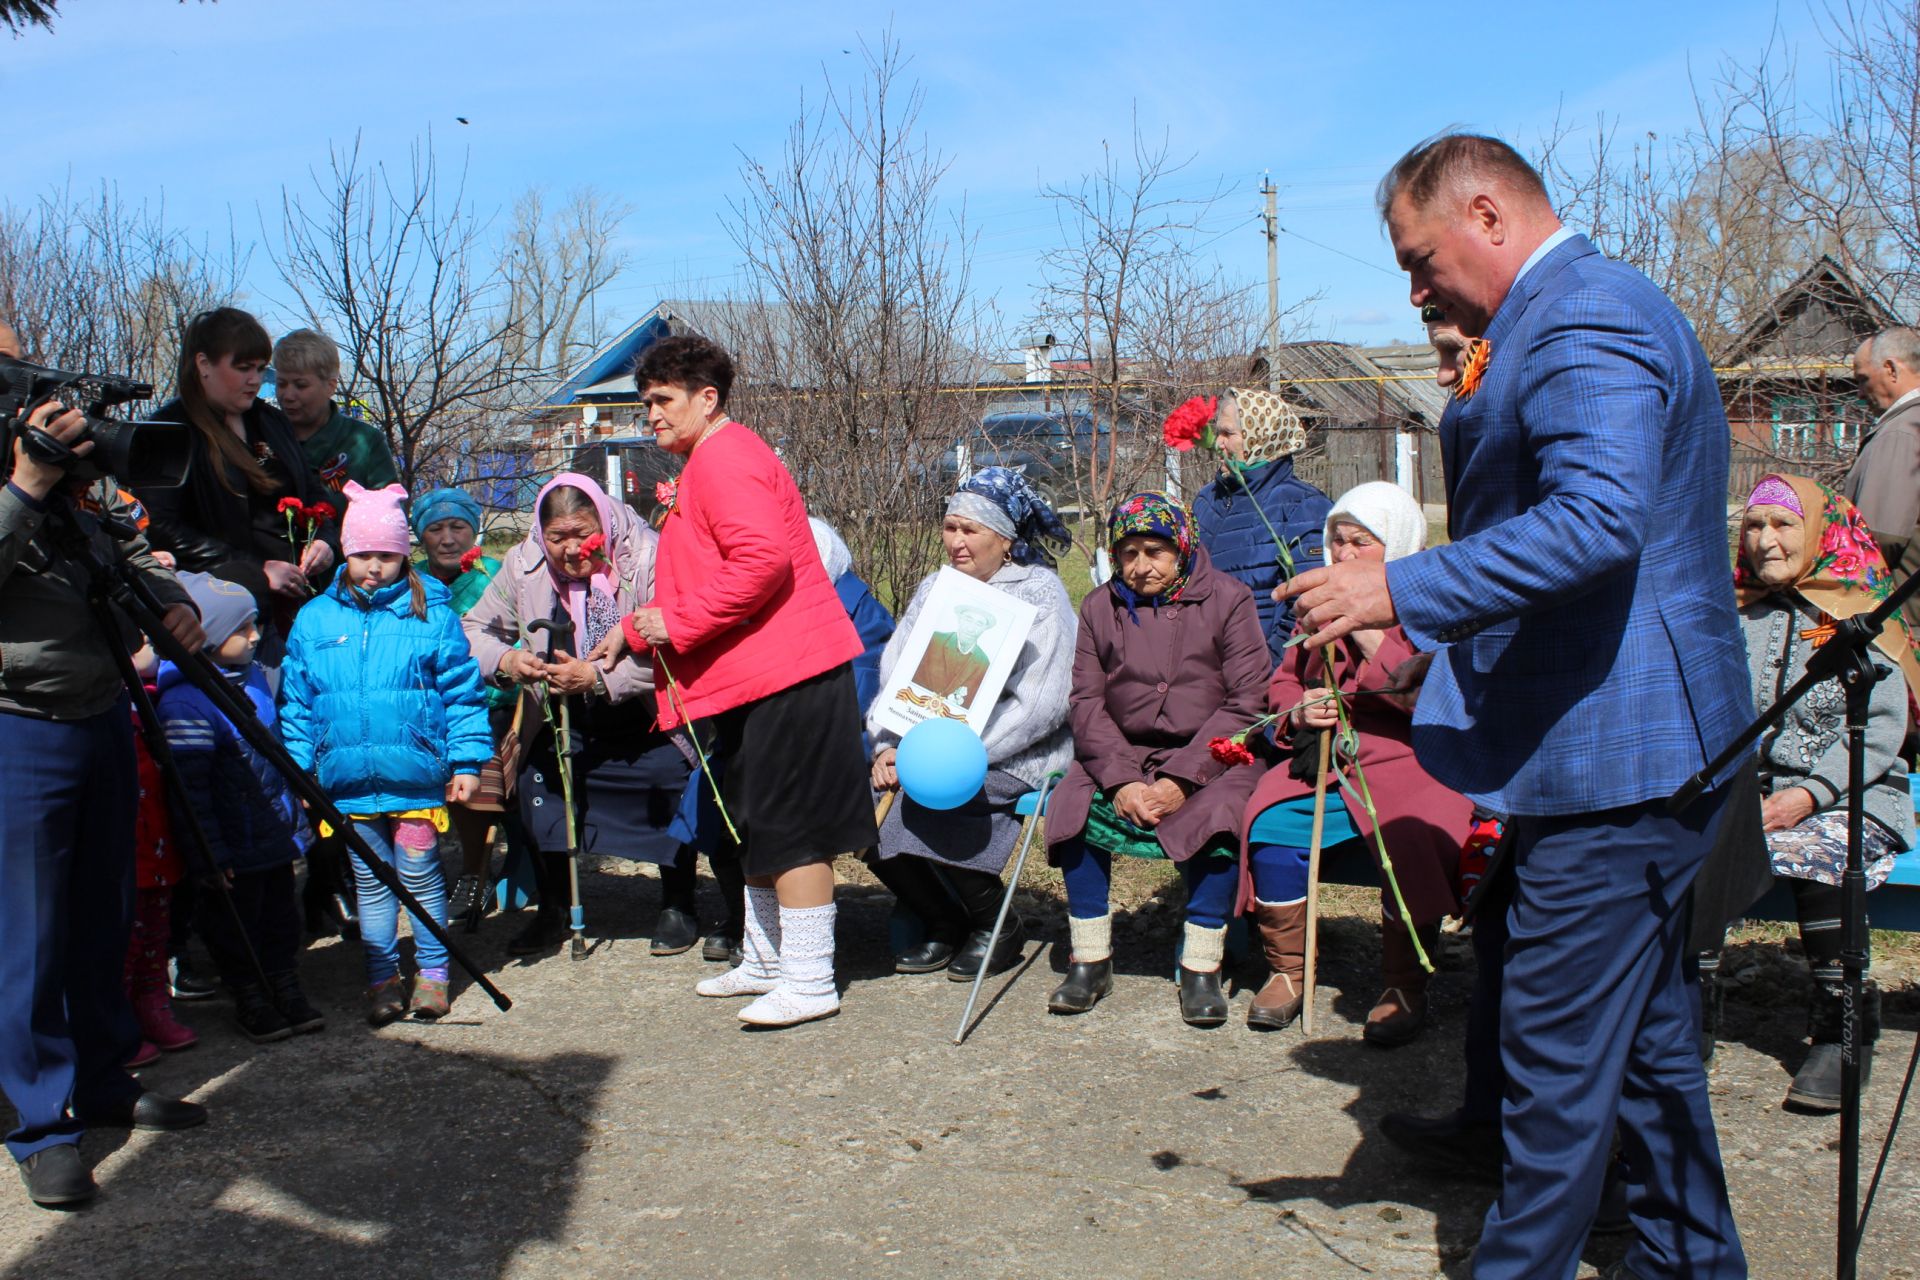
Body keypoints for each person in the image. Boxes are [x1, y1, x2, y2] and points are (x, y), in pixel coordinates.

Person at [1284, 134, 1750, 1277]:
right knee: (1643, 1045)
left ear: (1486, 215)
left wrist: (1395, 585)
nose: (1413, 288)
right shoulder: (1560, 315)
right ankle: (1691, 1259)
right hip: (1600, 740)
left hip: (1624, 750)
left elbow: (1599, 519)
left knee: (1552, 1057)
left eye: (1418, 258)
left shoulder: (1587, 315)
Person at [588, 335, 876, 1029]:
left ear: (706, 398)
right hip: (756, 674)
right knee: (752, 816)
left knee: (790, 826)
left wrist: (665, 622)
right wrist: (634, 630)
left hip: (790, 672)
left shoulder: (728, 458)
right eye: (645, 401)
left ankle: (809, 980)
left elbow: (759, 566)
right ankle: (766, 958)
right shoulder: (710, 459)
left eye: (661, 400)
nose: (649, 415)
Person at [0, 336, 209, 1208]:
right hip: (18, 727)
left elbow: (113, 550)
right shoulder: (25, 480)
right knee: (28, 938)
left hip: (98, 714)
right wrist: (25, 486)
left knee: (102, 918)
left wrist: (174, 599)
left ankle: (107, 1085)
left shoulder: (63, 486)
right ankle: (42, 1125)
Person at [1240, 481, 1469, 1044]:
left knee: (1416, 834)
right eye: (1336, 541)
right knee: (1269, 821)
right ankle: (1288, 972)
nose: (1343, 555)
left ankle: (1403, 985)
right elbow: (1284, 682)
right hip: (1326, 760)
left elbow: (1429, 696)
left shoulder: (1435, 611)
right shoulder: (1314, 611)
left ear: (1398, 546)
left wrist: (1365, 632)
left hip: (1407, 758)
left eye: (1360, 543)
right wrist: (1299, 710)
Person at [1722, 473, 1917, 1111]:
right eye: (1754, 525)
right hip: (1747, 795)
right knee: (1684, 845)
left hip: (1851, 794)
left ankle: (1843, 1028)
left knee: (1817, 855)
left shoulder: (1862, 612)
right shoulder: (1731, 613)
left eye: (1782, 525)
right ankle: (1684, 1019)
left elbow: (1883, 728)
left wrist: (1808, 795)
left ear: (1819, 532)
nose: (1764, 540)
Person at [1043, 492, 1269, 1026]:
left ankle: (1201, 966)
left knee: (1219, 816)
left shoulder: (1230, 599)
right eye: (1128, 553)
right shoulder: (1100, 606)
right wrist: (1120, 780)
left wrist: (1183, 780)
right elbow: (1087, 701)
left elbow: (1246, 700)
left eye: (1155, 551)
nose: (1141, 566)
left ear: (1182, 548)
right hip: (1122, 749)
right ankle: (1090, 959)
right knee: (1074, 803)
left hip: (1214, 751)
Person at [280, 483, 491, 1024]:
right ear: (346, 554)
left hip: (415, 776)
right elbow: (299, 701)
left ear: (404, 554)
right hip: (347, 783)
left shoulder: (431, 616)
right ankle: (381, 979)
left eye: (388, 556)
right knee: (372, 884)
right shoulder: (315, 621)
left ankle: (435, 974)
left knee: (419, 873)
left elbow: (462, 693)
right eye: (363, 555)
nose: (375, 567)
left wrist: (467, 762)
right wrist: (301, 770)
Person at [463, 474, 695, 956]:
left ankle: (678, 902)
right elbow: (474, 629)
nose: (572, 549)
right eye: (557, 537)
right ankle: (553, 908)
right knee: (535, 788)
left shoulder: (648, 558)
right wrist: (509, 661)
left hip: (645, 712)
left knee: (672, 785)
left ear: (605, 523)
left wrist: (600, 679)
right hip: (561, 715)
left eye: (582, 533)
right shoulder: (522, 566)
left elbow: (678, 643)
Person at [867, 467, 1075, 979]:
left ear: (1004, 539)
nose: (956, 542)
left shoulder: (1040, 593)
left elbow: (1044, 701)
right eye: (950, 527)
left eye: (970, 531)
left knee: (947, 794)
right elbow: (898, 672)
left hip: (1014, 747)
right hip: (924, 738)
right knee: (856, 801)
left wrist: (959, 749)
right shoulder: (937, 587)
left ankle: (995, 925)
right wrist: (889, 744)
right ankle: (942, 920)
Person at [156, 572, 322, 1042]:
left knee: (279, 918)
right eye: (243, 628)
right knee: (235, 926)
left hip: (270, 833)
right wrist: (209, 854)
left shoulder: (251, 680)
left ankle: (285, 984)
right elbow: (190, 791)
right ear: (205, 637)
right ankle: (248, 994)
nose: (255, 635)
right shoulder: (187, 704)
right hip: (230, 844)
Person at [139, 308, 338, 636]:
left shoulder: (271, 422)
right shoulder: (168, 430)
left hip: (294, 606)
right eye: (243, 368)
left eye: (260, 369)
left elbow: (312, 491)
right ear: (204, 364)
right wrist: (257, 570)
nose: (255, 380)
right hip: (220, 612)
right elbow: (160, 527)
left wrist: (324, 540)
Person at [412, 485, 515, 927]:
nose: (449, 538)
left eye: (458, 527)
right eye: (436, 528)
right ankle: (460, 871)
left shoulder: (496, 574)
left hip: (494, 700)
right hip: (428, 704)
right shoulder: (409, 580)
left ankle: (483, 870)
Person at [1193, 388, 1333, 662]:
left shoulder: (1302, 507)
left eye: (1228, 434)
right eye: (1218, 432)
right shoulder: (1206, 501)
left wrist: (1262, 675)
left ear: (1261, 436)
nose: (1218, 443)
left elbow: (1305, 608)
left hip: (1263, 680)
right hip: (1204, 674)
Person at [123, 639, 196, 1060]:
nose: (152, 646)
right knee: (123, 941)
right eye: (143, 641)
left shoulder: (158, 702)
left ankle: (153, 1006)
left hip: (160, 843)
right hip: (123, 850)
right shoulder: (108, 708)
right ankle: (121, 1019)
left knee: (156, 932)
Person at [1846, 327, 1920, 629]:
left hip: (1907, 618)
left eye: (1863, 379)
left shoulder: (1902, 431)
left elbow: (1879, 537)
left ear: (1890, 368)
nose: (1861, 393)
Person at [271, 328, 401, 501]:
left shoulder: (367, 443)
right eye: (281, 384)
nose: (287, 396)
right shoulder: (265, 435)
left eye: (300, 385)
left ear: (330, 386)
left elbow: (387, 515)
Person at [910, 604, 995, 706]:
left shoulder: (984, 663)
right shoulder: (934, 640)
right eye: (968, 619)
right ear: (959, 619)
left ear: (984, 629)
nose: (971, 629)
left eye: (979, 624)